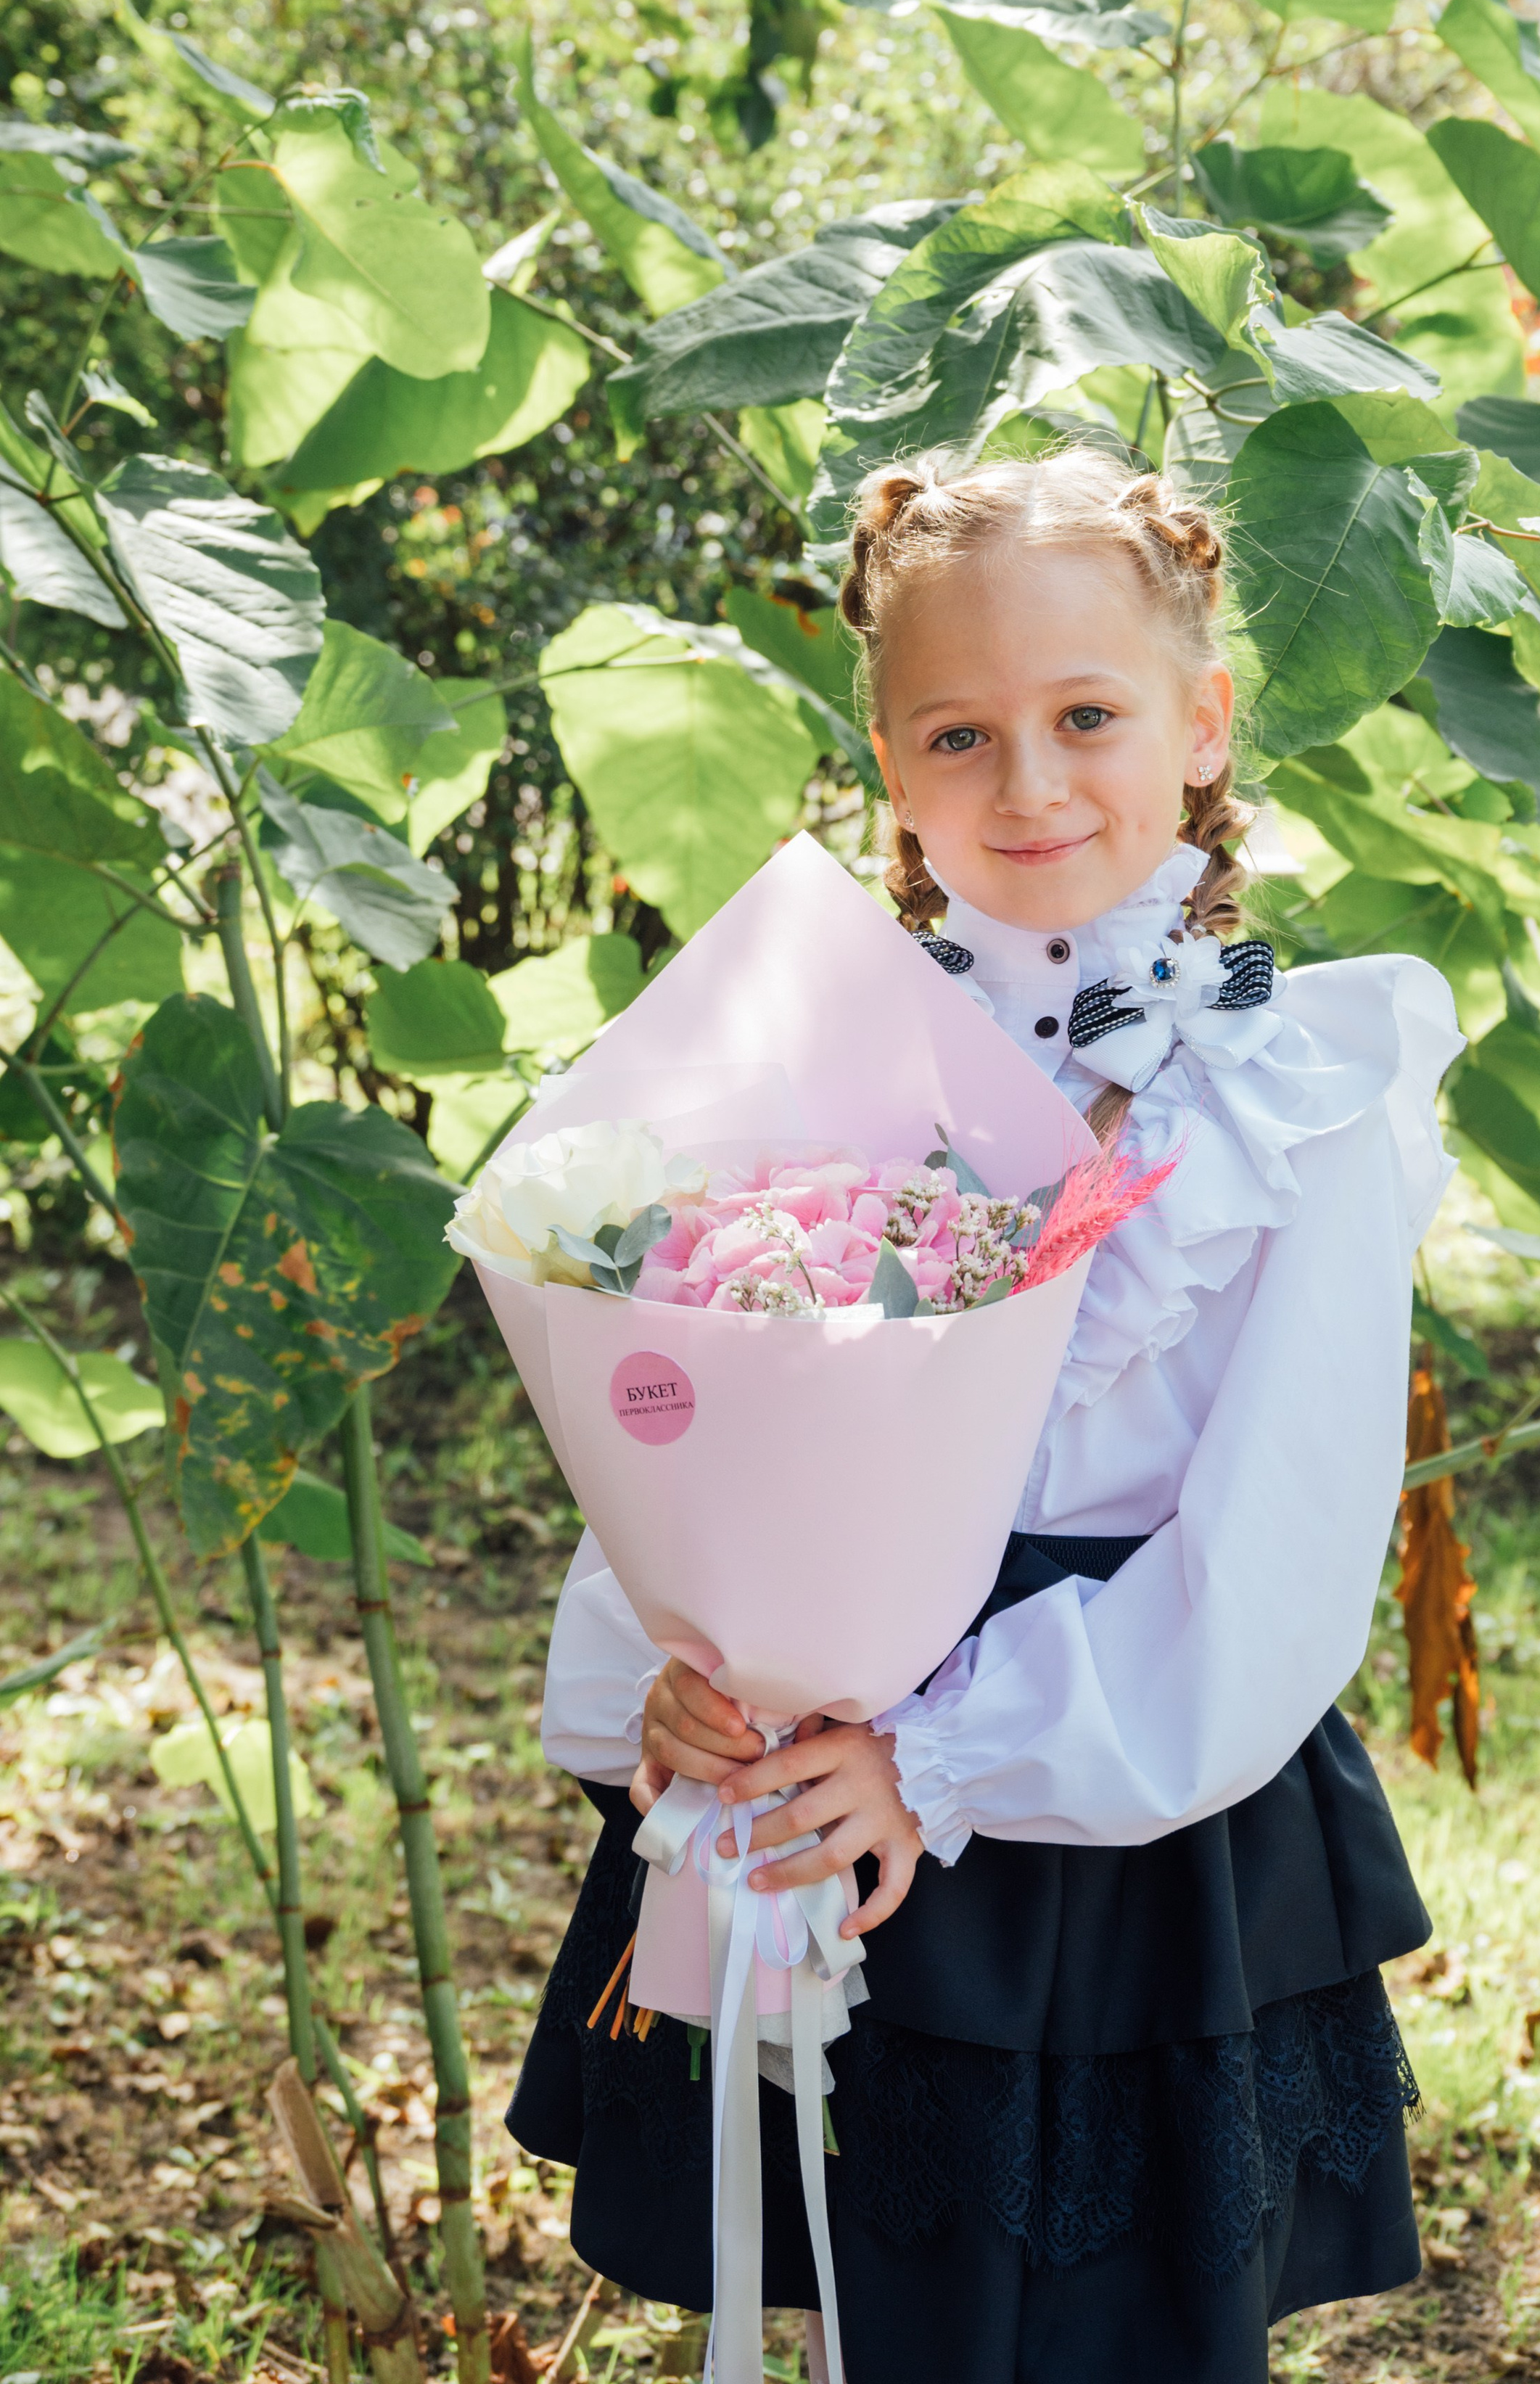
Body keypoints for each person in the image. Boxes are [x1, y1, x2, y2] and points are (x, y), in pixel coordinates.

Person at [507, 447, 1464, 2383]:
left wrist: (940, 1767)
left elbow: (1277, 1550)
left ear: (1201, 729)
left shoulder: (1296, 1093)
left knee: (1114, 2328)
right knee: (878, 2298)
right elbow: (699, 1421)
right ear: (889, 766)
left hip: (1103, 1800)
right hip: (811, 1783)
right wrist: (682, 1679)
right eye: (958, 734)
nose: (1025, 786)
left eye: (1086, 717)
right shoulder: (824, 1049)